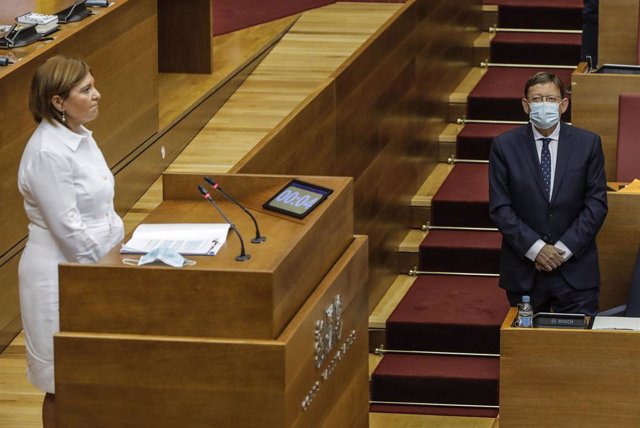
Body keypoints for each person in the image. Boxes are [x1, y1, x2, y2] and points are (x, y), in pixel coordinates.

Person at [18, 55, 124, 427]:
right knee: (61, 382)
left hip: (95, 269)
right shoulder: (48, 152)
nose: (97, 95)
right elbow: (70, 231)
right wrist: (111, 268)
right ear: (57, 102)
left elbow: (102, 210)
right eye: (86, 90)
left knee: (95, 375)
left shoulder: (80, 136)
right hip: (59, 278)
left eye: (93, 85)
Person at [488, 71, 608, 316]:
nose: (544, 106)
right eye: (537, 99)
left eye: (551, 99)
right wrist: (537, 249)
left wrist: (562, 249)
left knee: (577, 349)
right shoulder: (504, 146)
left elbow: (596, 204)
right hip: (525, 273)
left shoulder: (588, 144)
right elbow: (500, 208)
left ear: (564, 104)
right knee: (528, 350)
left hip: (576, 271)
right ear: (526, 105)